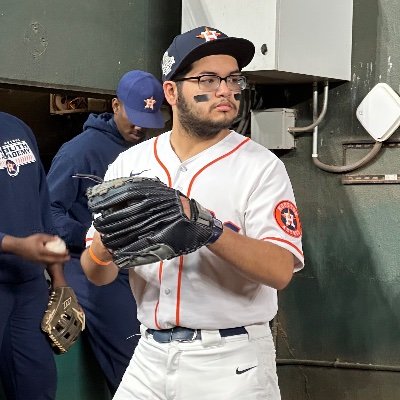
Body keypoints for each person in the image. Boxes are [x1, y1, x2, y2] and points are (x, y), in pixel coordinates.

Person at [81, 26, 304, 400]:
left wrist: (209, 229)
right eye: (208, 79)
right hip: (149, 354)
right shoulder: (130, 163)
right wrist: (105, 245)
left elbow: (281, 270)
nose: (226, 90)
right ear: (171, 91)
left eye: (233, 79)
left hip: (231, 360)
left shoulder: (260, 166)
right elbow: (97, 275)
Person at [46, 70, 165, 394]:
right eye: (135, 116)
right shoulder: (79, 151)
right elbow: (48, 213)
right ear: (115, 106)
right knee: (133, 360)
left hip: (135, 258)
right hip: (84, 262)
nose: (140, 126)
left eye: (149, 118)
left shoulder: (151, 150)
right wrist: (92, 235)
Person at [0, 112, 70, 400]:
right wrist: (13, 244)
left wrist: (59, 278)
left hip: (29, 287)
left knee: (37, 385)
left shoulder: (16, 126)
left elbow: (41, 202)